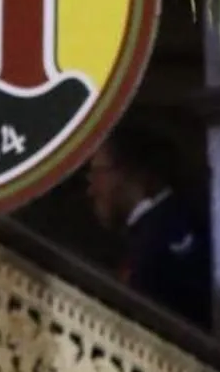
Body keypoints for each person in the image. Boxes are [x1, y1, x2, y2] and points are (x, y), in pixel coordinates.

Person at [85, 128, 213, 329]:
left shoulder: (169, 233)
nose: (92, 190)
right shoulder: (154, 230)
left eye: (97, 174)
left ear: (130, 172)